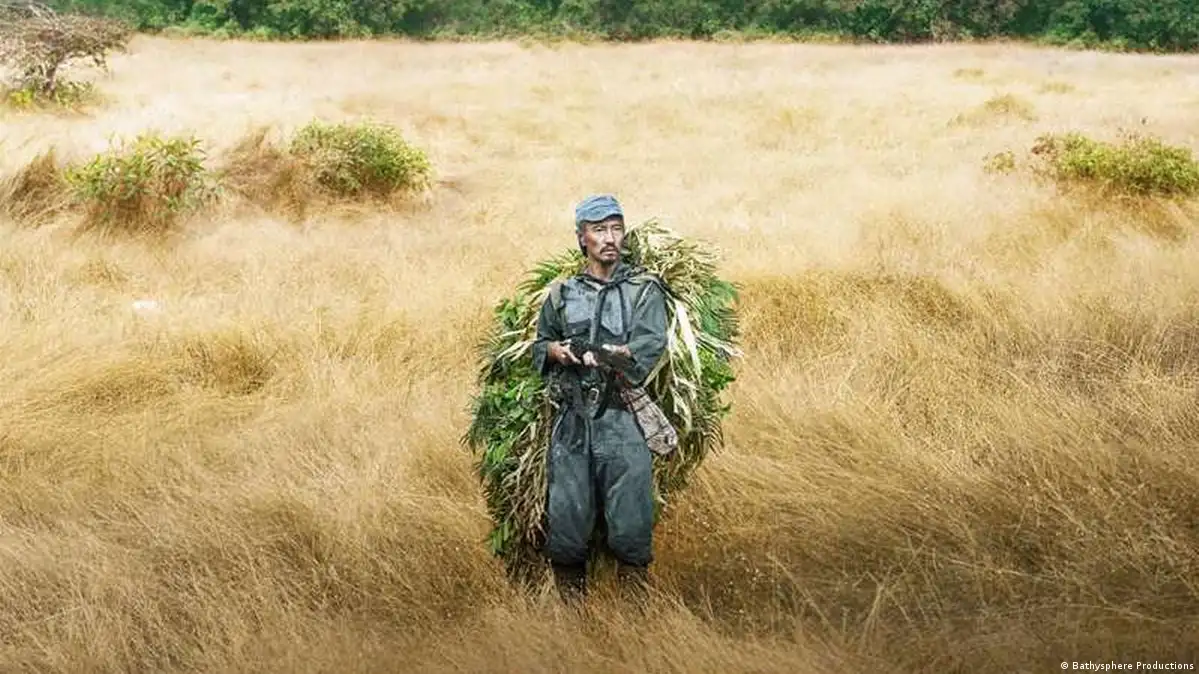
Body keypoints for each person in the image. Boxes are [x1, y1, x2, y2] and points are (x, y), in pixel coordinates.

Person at [530, 194, 670, 603]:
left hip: (623, 418)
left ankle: (635, 616)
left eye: (616, 229)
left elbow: (649, 346)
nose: (610, 238)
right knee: (567, 522)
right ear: (582, 238)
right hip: (572, 423)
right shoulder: (562, 293)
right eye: (599, 230)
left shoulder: (644, 290)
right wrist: (558, 352)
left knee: (631, 524)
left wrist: (606, 354)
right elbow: (541, 343)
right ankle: (570, 620)